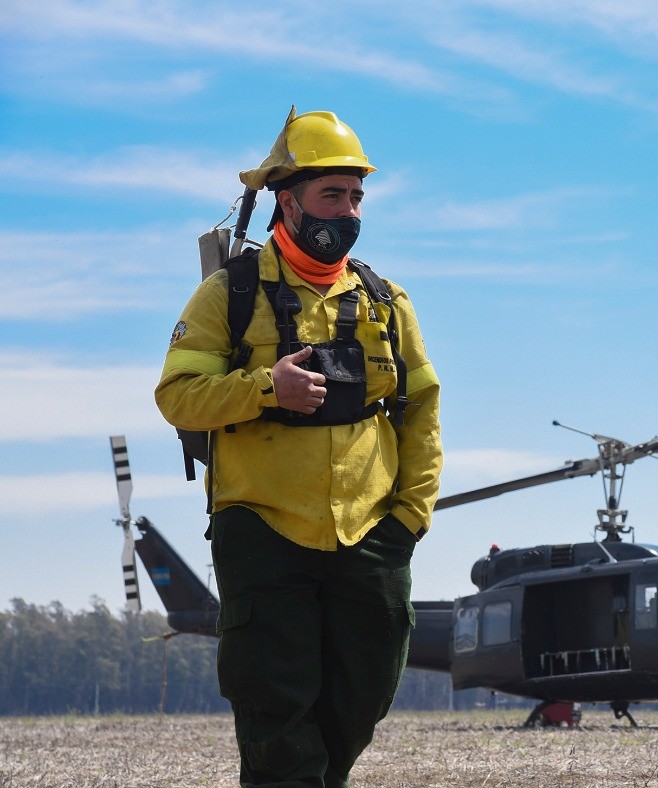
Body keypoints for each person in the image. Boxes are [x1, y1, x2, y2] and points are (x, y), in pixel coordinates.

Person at [156, 108, 443, 788]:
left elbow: (422, 412)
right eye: (332, 195)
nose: (347, 211)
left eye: (356, 197)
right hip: (262, 528)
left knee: (363, 695)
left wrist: (410, 518)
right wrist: (265, 389)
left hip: (372, 533)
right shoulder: (228, 294)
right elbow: (178, 395)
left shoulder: (387, 301)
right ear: (288, 200)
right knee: (274, 708)